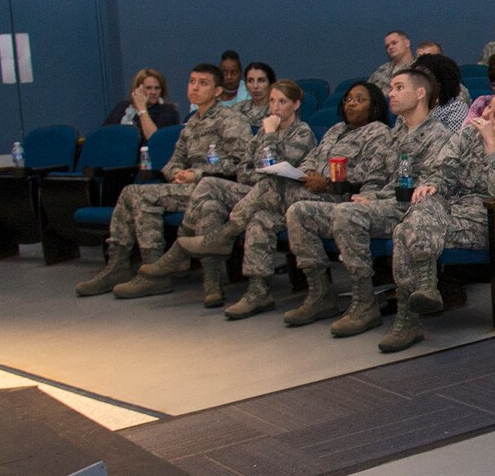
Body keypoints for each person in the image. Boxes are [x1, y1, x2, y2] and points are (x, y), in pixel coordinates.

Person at [187, 81, 395, 321]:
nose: (351, 103)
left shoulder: (379, 132)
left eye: (360, 100)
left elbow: (371, 177)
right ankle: (261, 292)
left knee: (271, 185)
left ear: (375, 106)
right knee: (261, 217)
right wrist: (305, 175)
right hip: (311, 191)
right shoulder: (336, 130)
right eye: (348, 99)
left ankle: (226, 235)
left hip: (340, 198)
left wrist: (325, 182)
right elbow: (311, 159)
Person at [282, 65, 453, 338]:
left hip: (410, 211)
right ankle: (321, 295)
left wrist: (373, 200)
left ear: (420, 94)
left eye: (399, 88)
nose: (391, 94)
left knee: (348, 215)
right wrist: (368, 197)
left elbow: (432, 186)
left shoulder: (439, 135)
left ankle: (364, 304)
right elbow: (376, 178)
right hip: (382, 205)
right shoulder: (394, 135)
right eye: (391, 88)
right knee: (300, 211)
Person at [378, 91, 495, 352]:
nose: (485, 115)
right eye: (488, 107)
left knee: (402, 231)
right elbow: (443, 173)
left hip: (485, 221)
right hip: (447, 212)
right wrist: (431, 186)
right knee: (422, 203)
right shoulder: (466, 135)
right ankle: (427, 286)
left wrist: (491, 148)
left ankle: (408, 319)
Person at [75, 64, 252, 298]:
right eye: (192, 81)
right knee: (133, 193)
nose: (195, 87)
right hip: (187, 187)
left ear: (218, 91)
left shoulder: (230, 119)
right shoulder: (191, 124)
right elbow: (173, 160)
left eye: (203, 83)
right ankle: (119, 267)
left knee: (137, 194)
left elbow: (240, 161)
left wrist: (197, 174)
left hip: (215, 189)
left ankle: (152, 273)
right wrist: (177, 173)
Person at [140, 79, 316, 308]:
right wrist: (261, 169)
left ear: (296, 104)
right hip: (256, 193)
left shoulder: (302, 133)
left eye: (282, 102)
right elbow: (243, 169)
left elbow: (279, 170)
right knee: (209, 188)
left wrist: (270, 136)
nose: (275, 107)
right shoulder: (263, 131)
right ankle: (189, 252)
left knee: (261, 204)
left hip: (285, 198)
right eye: (272, 101)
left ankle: (219, 242)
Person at [102, 68, 180, 145]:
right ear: (138, 89)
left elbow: (155, 139)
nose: (153, 92)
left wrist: (142, 108)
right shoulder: (122, 106)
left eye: (157, 88)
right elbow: (103, 134)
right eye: (148, 88)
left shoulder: (168, 112)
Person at [228, 63, 274, 130]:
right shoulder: (236, 109)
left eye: (261, 80)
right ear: (246, 86)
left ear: (271, 85)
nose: (255, 86)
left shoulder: (277, 111)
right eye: (250, 81)